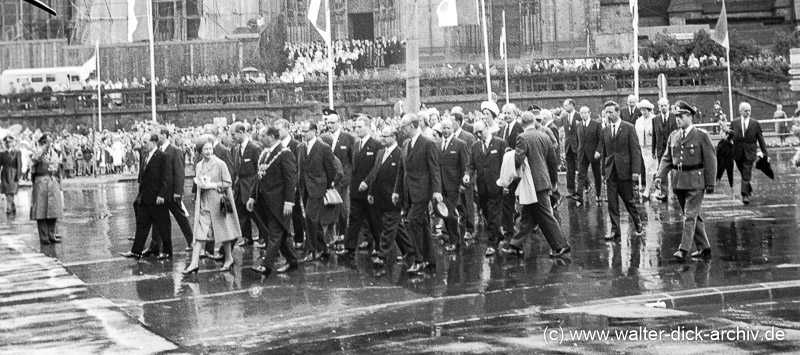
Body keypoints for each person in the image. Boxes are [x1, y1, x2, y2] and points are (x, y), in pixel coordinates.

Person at [654, 101, 717, 261]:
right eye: (676, 117)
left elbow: (711, 160)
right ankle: (704, 248)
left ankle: (684, 249)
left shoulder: (701, 136)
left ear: (689, 116)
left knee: (689, 216)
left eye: (681, 116)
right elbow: (667, 158)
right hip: (678, 182)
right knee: (693, 215)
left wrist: (710, 184)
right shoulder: (674, 136)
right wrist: (659, 176)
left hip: (696, 182)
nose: (678, 120)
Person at [504, 110, 570, 258]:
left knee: (545, 215)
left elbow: (518, 159)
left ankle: (561, 245)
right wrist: (553, 182)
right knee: (527, 215)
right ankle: (516, 244)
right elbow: (552, 162)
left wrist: (509, 158)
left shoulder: (522, 137)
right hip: (543, 182)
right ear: (534, 122)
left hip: (531, 184)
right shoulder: (544, 136)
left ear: (522, 123)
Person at [393, 113, 443, 274]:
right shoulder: (406, 144)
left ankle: (419, 259)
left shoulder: (427, 143)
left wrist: (436, 191)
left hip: (423, 190)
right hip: (409, 190)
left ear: (413, 126)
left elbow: (434, 168)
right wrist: (397, 191)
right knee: (422, 224)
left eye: (404, 127)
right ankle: (430, 258)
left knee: (413, 221)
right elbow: (402, 170)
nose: (402, 130)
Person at [183, 137, 241, 274]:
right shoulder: (199, 165)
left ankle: (229, 258)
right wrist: (200, 185)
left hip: (218, 203)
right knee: (198, 233)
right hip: (204, 204)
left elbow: (228, 182)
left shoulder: (220, 164)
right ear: (200, 151)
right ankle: (194, 263)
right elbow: (198, 182)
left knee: (223, 232)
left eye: (210, 148)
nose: (208, 151)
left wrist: (213, 185)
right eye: (205, 149)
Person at [248, 126, 299, 276]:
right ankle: (292, 260)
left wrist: (289, 201)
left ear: (272, 136)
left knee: (274, 233)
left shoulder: (285, 154)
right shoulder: (265, 153)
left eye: (263, 135)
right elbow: (259, 177)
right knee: (281, 232)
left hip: (280, 201)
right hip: (265, 200)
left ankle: (266, 265)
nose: (261, 138)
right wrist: (252, 196)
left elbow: (290, 180)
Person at [365, 126, 415, 266]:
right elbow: (375, 174)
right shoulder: (380, 153)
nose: (382, 138)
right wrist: (371, 192)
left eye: (385, 136)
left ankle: (383, 255)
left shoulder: (400, 153)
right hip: (380, 195)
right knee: (396, 225)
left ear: (393, 137)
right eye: (381, 136)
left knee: (388, 226)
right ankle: (408, 249)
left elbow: (401, 177)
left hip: (394, 196)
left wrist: (400, 194)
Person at [597, 101, 644, 240]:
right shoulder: (605, 130)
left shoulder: (628, 128)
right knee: (612, 202)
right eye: (606, 112)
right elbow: (604, 152)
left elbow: (635, 150)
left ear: (618, 112)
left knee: (628, 200)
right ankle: (615, 231)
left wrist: (636, 171)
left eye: (611, 112)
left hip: (625, 170)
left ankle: (637, 221)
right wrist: (603, 172)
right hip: (611, 170)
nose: (608, 115)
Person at [120, 134, 171, 258]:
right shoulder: (145, 155)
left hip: (157, 198)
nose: (143, 145)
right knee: (141, 225)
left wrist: (162, 195)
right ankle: (136, 250)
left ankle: (167, 251)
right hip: (145, 197)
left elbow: (167, 178)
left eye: (146, 142)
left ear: (154, 142)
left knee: (163, 225)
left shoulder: (162, 157)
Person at [338, 116, 382, 258]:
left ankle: (379, 246)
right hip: (356, 187)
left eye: (360, 127)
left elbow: (376, 167)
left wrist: (367, 181)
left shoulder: (376, 144)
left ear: (368, 126)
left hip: (369, 189)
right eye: (355, 127)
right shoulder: (356, 145)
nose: (357, 130)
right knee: (354, 218)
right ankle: (350, 247)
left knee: (373, 219)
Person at [297, 121, 338, 261]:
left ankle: (312, 249)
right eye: (302, 131)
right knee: (315, 219)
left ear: (314, 131)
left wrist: (325, 184)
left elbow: (331, 168)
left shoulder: (323, 147)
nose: (303, 134)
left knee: (309, 216)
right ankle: (323, 247)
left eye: (306, 131)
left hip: (318, 187)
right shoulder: (301, 147)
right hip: (305, 187)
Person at [466, 120, 507, 257]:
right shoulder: (475, 146)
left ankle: (492, 243)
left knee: (493, 212)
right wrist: (467, 175)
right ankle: (498, 234)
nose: (478, 135)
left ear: (487, 128)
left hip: (496, 185)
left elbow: (505, 164)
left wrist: (506, 183)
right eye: (476, 133)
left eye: (480, 131)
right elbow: (471, 164)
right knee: (487, 213)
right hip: (482, 185)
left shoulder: (500, 143)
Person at [436, 118, 470, 252]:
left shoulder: (460, 144)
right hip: (440, 186)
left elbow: (465, 165)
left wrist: (463, 183)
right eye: (443, 128)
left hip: (454, 185)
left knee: (453, 214)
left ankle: (456, 240)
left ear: (453, 129)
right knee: (444, 213)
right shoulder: (437, 144)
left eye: (448, 128)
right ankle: (452, 238)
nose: (445, 131)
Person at [322, 109, 356, 243]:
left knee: (342, 208)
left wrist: (350, 177)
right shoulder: (324, 137)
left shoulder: (348, 138)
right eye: (328, 123)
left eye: (332, 123)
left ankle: (343, 233)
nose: (330, 125)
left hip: (343, 179)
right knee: (329, 207)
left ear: (339, 123)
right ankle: (332, 234)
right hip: (328, 179)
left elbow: (352, 159)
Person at [729, 102, 768, 205]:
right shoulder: (734, 123)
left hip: (750, 152)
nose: (748, 113)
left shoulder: (755, 123)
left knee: (746, 171)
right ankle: (748, 189)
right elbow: (730, 136)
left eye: (749, 111)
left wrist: (765, 153)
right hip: (737, 152)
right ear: (740, 111)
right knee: (743, 172)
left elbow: (761, 139)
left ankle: (744, 194)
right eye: (746, 111)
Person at [231, 122, 263, 247]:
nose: (231, 137)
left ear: (241, 132)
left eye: (233, 134)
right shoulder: (236, 149)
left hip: (251, 187)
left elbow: (259, 170)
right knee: (241, 213)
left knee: (256, 215)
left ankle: (265, 238)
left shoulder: (255, 148)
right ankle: (246, 237)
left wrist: (257, 189)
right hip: (240, 187)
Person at [275, 119, 305, 250]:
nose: (277, 133)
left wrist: (296, 183)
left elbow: (299, 165)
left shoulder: (296, 145)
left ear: (287, 129)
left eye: (280, 130)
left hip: (293, 182)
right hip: (280, 184)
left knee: (296, 210)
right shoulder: (276, 146)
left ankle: (299, 237)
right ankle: (286, 237)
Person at [30, 134, 64, 245]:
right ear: (43, 143)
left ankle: (51, 234)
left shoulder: (55, 153)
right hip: (41, 181)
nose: (50, 144)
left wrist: (60, 184)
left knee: (53, 209)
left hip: (53, 181)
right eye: (47, 142)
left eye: (51, 141)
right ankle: (44, 237)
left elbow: (59, 169)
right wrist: (42, 149)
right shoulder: (38, 153)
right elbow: (34, 159)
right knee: (41, 210)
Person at [652, 98, 679, 202]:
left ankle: (676, 191)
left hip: (673, 148)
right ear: (658, 107)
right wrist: (653, 151)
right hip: (661, 149)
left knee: (674, 170)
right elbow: (654, 136)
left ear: (668, 105)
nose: (663, 107)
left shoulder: (674, 117)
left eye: (665, 105)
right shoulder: (655, 119)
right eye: (661, 106)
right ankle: (664, 193)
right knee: (662, 170)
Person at [576, 106, 603, 205]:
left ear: (589, 113)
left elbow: (601, 139)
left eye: (585, 113)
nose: (583, 115)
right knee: (581, 175)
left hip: (594, 153)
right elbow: (577, 140)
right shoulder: (578, 125)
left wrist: (598, 151)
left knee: (597, 175)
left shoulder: (596, 124)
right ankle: (579, 197)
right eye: (581, 113)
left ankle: (598, 194)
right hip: (582, 154)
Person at [635, 100, 657, 201]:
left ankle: (648, 190)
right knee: (647, 168)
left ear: (649, 110)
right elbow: (636, 133)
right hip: (642, 147)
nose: (643, 112)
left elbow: (658, 133)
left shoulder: (655, 119)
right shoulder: (638, 121)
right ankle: (652, 187)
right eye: (642, 110)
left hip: (652, 147)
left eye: (645, 110)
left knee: (650, 168)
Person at [561, 99, 581, 200]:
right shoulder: (564, 118)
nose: (564, 107)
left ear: (572, 105)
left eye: (566, 105)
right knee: (570, 169)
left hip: (577, 145)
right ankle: (570, 190)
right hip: (568, 146)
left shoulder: (579, 116)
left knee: (579, 167)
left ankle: (585, 184)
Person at [0, 136, 22, 215]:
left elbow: (19, 164)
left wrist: (19, 175)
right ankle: (12, 205)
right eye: (7, 142)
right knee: (7, 192)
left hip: (13, 173)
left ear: (13, 142)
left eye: (10, 142)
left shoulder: (17, 152)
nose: (8, 144)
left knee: (11, 191)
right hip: (5, 174)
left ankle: (9, 208)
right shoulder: (2, 153)